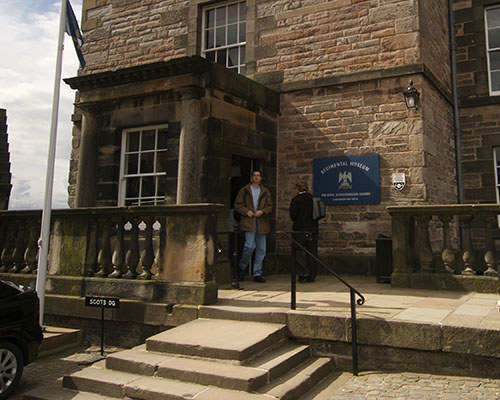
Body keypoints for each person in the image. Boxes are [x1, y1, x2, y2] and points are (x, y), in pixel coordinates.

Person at [234, 170, 273, 283]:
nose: (256, 178)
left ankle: (257, 272)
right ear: (252, 177)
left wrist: (263, 211)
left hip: (261, 222)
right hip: (249, 221)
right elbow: (238, 205)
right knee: (249, 246)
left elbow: (270, 206)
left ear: (261, 178)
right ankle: (242, 267)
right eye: (254, 176)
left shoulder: (265, 191)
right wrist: (246, 212)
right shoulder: (244, 190)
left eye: (258, 176)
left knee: (261, 249)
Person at [289, 181, 318, 282]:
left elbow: (293, 215)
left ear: (297, 189)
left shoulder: (295, 200)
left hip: (300, 229)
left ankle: (302, 273)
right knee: (312, 252)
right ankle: (312, 275)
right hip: (312, 228)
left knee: (298, 251)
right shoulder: (313, 199)